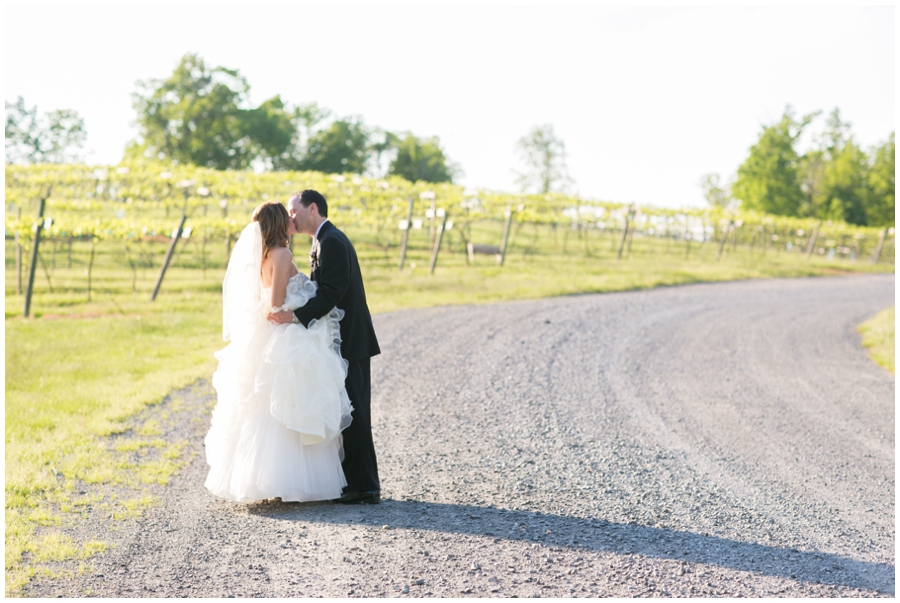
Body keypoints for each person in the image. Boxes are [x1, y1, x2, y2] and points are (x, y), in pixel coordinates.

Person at [204, 201, 353, 503]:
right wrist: (300, 309)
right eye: (287, 217)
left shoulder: (263, 257)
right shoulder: (282, 255)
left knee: (270, 405)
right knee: (288, 404)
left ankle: (263, 479)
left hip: (276, 334)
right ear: (277, 223)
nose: (292, 220)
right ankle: (287, 481)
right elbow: (276, 305)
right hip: (286, 333)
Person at [268, 190, 382, 504]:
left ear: (312, 208)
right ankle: (354, 482)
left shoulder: (332, 241)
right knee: (345, 407)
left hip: (351, 339)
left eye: (293, 211)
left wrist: (294, 316)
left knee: (355, 411)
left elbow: (331, 292)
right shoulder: (323, 240)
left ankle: (366, 487)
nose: (290, 217)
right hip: (339, 338)